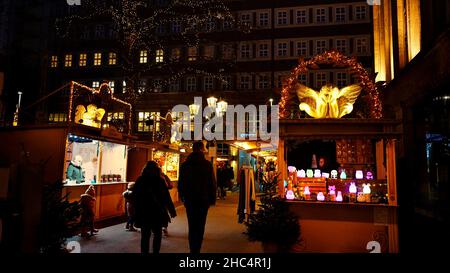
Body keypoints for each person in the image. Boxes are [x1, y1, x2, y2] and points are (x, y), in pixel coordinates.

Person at [178, 141, 217, 253]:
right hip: (203, 200)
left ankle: (192, 249)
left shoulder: (185, 165)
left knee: (192, 224)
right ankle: (197, 249)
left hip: (190, 200)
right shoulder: (206, 165)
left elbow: (181, 183)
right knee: (200, 225)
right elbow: (212, 183)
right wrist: (212, 199)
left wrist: (183, 197)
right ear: (201, 149)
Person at [133, 161, 177, 254]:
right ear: (157, 170)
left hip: (144, 212)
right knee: (157, 234)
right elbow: (166, 197)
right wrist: (171, 210)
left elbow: (135, 197)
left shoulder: (140, 180)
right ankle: (155, 251)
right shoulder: (160, 181)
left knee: (145, 236)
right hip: (158, 212)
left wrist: (135, 212)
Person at [161, 171, 173, 236]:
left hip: (150, 199)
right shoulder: (163, 176)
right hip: (163, 198)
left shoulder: (146, 177)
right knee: (164, 213)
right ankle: (164, 227)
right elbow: (170, 186)